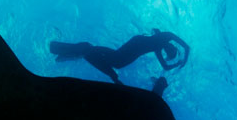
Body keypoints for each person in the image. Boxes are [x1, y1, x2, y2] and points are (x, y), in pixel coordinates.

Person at [49, 30, 190, 84]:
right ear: (172, 46)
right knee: (113, 60)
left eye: (168, 53)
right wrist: (182, 61)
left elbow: (165, 65)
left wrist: (177, 63)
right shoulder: (166, 37)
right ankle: (81, 51)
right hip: (134, 47)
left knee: (114, 62)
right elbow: (186, 46)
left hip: (133, 48)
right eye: (170, 50)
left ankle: (74, 53)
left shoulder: (159, 46)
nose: (168, 50)